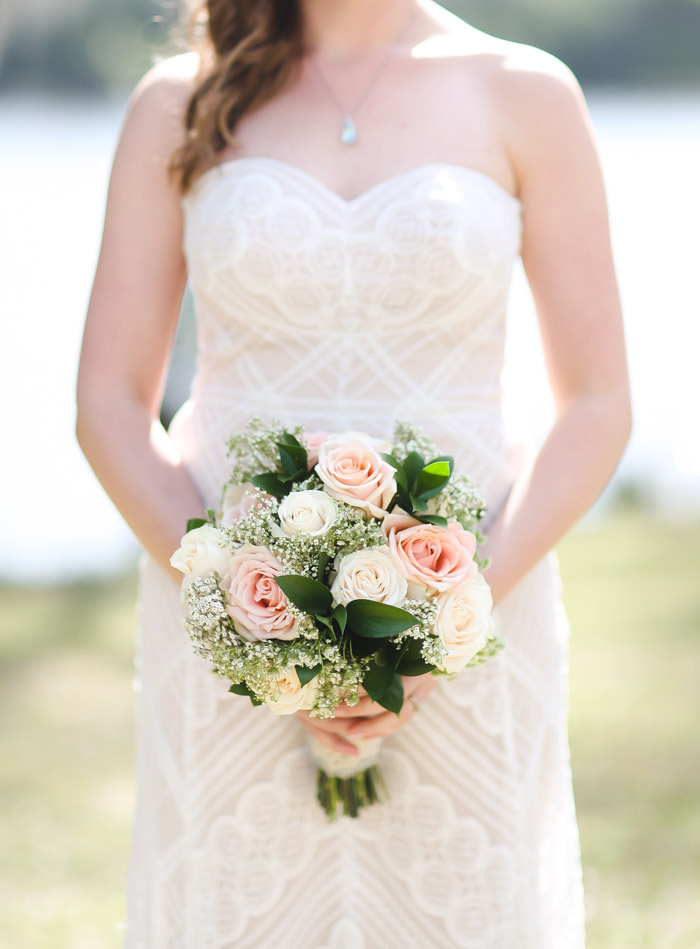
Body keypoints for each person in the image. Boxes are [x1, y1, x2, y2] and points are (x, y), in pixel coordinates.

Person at [76, 0, 631, 945]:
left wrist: (444, 624)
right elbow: (109, 406)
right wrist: (261, 623)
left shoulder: (525, 92)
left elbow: (596, 403)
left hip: (477, 615)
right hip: (222, 626)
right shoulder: (180, 102)